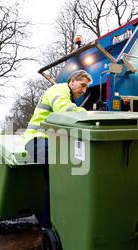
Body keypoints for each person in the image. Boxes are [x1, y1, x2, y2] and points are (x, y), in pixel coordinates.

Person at [23, 69, 93, 228]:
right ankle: (50, 225)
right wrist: (90, 114)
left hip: (42, 143)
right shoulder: (59, 90)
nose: (83, 90)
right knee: (62, 178)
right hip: (38, 141)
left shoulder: (66, 96)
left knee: (53, 185)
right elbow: (65, 111)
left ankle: (47, 222)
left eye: (86, 88)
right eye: (82, 85)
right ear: (73, 80)